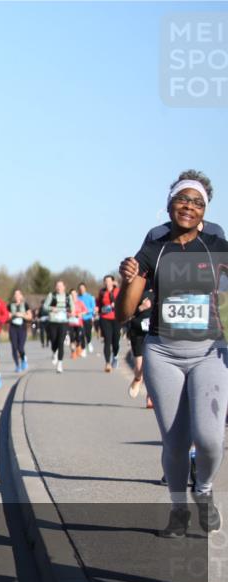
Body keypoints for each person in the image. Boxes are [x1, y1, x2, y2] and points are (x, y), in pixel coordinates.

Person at [116, 169, 226, 537]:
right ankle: (178, 510)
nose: (189, 207)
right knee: (175, 442)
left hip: (209, 351)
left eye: (197, 203)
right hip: (163, 351)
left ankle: (205, 490)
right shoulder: (154, 247)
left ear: (204, 211)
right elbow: (125, 313)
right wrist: (128, 282)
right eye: (183, 199)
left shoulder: (217, 246)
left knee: (210, 439)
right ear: (170, 205)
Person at [126, 287, 153, 400]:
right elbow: (127, 312)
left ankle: (150, 396)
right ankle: (137, 378)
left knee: (152, 366)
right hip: (138, 331)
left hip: (154, 332)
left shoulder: (163, 290)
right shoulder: (136, 291)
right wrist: (141, 307)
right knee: (139, 366)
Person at [44, 280, 72, 373]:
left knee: (61, 342)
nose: (59, 287)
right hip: (53, 321)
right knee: (53, 341)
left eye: (60, 286)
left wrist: (70, 311)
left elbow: (72, 308)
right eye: (57, 286)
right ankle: (54, 352)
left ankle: (60, 363)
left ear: (64, 287)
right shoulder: (51, 295)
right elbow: (44, 307)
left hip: (63, 322)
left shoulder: (68, 296)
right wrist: (52, 308)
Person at [97, 275, 122, 372]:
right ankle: (107, 363)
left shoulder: (118, 291)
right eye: (105, 281)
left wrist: (116, 304)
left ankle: (115, 356)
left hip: (116, 318)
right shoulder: (102, 292)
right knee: (107, 340)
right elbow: (98, 303)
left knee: (115, 341)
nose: (107, 283)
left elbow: (123, 301)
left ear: (113, 282)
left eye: (109, 281)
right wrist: (97, 308)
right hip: (104, 318)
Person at [8, 289, 32, 372]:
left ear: (21, 296)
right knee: (14, 347)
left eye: (18, 294)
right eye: (15, 294)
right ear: (14, 296)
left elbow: (30, 316)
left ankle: (23, 359)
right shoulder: (10, 305)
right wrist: (13, 315)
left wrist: (22, 315)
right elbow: (6, 316)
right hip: (12, 327)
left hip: (22, 327)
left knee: (20, 347)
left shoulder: (25, 305)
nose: (17, 296)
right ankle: (17, 366)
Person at [68, 288, 88, 359]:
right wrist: (69, 314)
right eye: (72, 294)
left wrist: (80, 314)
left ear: (76, 294)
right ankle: (73, 352)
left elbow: (86, 311)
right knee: (72, 338)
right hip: (70, 323)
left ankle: (78, 348)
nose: (73, 295)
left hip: (79, 323)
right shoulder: (68, 303)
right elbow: (65, 311)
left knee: (78, 338)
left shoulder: (80, 302)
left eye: (74, 294)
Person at [77, 282, 96, 356]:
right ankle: (83, 349)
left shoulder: (90, 297)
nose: (81, 290)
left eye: (82, 288)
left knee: (88, 333)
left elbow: (93, 308)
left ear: (85, 288)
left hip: (88, 318)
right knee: (82, 334)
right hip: (80, 319)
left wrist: (87, 311)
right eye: (80, 289)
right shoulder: (78, 298)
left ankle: (89, 342)